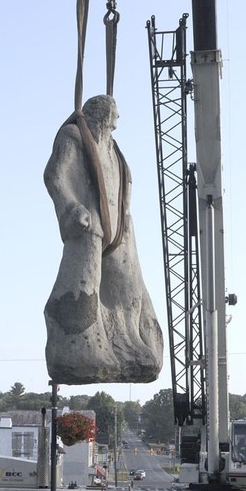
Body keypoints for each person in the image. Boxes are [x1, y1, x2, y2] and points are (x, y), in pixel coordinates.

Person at [44, 94, 163, 385]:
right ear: (103, 113)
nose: (119, 118)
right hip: (90, 224)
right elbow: (54, 176)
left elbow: (126, 182)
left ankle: (130, 342)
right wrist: (71, 209)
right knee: (83, 284)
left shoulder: (113, 149)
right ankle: (81, 346)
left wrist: (125, 218)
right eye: (116, 112)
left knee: (130, 290)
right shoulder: (73, 135)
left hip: (120, 228)